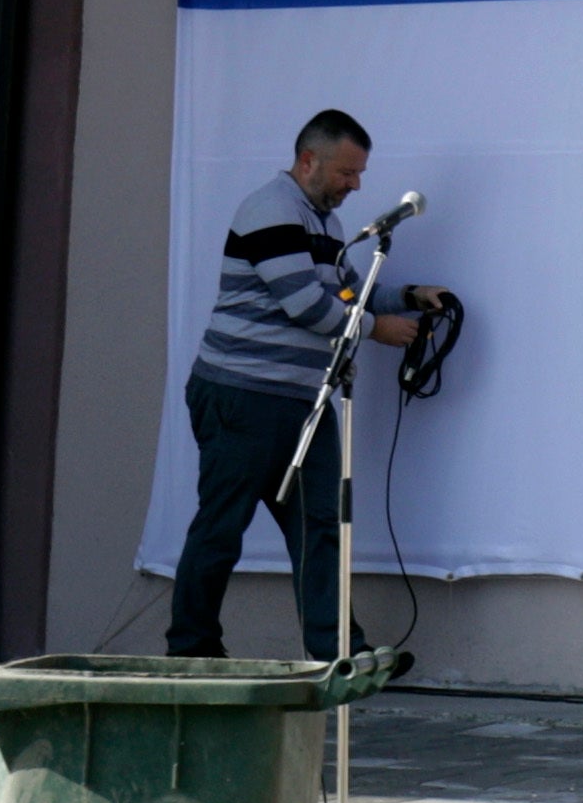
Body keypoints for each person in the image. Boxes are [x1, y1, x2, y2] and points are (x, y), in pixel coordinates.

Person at [171, 109, 430, 659]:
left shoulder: (326, 225)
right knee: (222, 529)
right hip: (243, 395)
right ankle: (191, 653)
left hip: (300, 403)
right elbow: (308, 306)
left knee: (321, 529)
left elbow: (348, 294)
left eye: (359, 173)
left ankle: (337, 653)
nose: (355, 185)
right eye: (346, 172)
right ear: (308, 160)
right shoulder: (271, 210)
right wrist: (377, 329)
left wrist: (407, 296)